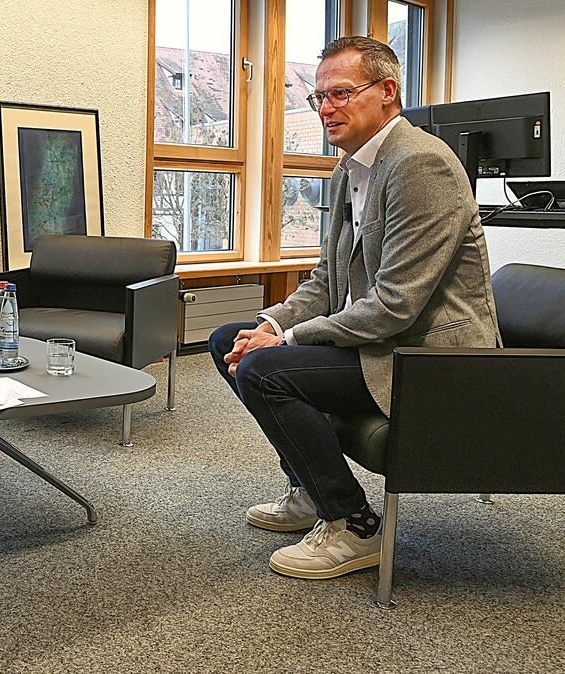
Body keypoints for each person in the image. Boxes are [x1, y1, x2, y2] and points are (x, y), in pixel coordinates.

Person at [209, 36, 500, 580]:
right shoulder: (350, 168)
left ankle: (353, 525)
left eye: (340, 93)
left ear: (388, 91)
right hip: (387, 342)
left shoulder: (421, 165)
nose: (325, 108)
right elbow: (327, 279)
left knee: (265, 369)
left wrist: (287, 342)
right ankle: (307, 487)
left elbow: (395, 304)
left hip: (430, 357)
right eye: (318, 97)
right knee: (231, 337)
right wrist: (272, 323)